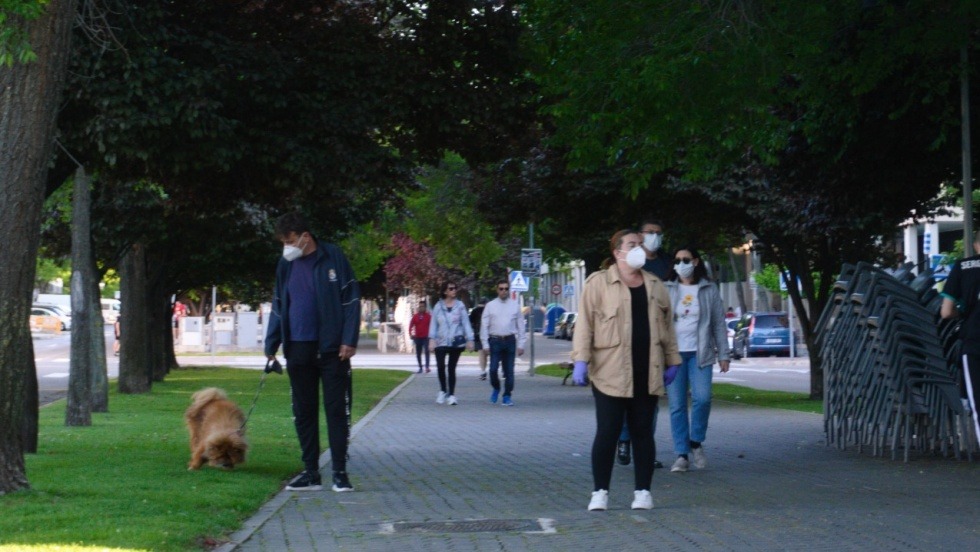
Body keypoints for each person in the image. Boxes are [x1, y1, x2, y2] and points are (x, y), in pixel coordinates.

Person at [571, 230, 681, 511]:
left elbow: (668, 328)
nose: (639, 249)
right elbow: (584, 325)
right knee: (607, 432)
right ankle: (600, 492)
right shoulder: (598, 284)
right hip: (610, 373)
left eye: (641, 245)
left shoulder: (656, 286)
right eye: (633, 245)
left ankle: (643, 492)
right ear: (617, 252)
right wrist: (581, 360)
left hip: (648, 372)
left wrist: (673, 360)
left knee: (643, 433)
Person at [264, 212, 361, 493]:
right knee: (303, 411)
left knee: (336, 411)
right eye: (284, 242)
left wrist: (349, 339)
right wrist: (271, 345)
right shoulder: (286, 265)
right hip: (298, 346)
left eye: (290, 240)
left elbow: (352, 299)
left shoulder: (333, 258)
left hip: (332, 349)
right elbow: (279, 303)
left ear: (305, 237)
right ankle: (310, 472)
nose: (287, 247)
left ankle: (340, 473)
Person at [664, 246, 731, 473]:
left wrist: (724, 354)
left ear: (695, 261)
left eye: (685, 259)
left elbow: (719, 324)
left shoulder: (708, 289)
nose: (681, 263)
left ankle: (696, 441)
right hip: (674, 355)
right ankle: (682, 454)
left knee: (703, 398)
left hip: (700, 353)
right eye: (677, 259)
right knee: (677, 405)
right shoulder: (667, 288)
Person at [617, 218, 669, 468]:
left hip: (653, 344)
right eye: (649, 233)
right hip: (625, 344)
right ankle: (624, 438)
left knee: (650, 402)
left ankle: (645, 451)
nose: (654, 237)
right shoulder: (625, 265)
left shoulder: (666, 265)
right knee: (626, 397)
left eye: (658, 233)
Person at [940, 230, 980, 444]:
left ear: (975, 246)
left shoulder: (962, 267)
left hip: (974, 340)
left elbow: (945, 312)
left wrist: (963, 312)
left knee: (977, 401)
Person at [480, 280, 526, 406]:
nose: (504, 291)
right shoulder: (490, 306)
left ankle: (507, 395)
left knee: (509, 371)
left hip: (510, 340)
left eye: (506, 289)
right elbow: (484, 326)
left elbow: (521, 326)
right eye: (501, 288)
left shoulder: (514, 306)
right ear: (497, 290)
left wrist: (521, 344)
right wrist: (485, 344)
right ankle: (496, 387)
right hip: (495, 340)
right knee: (493, 369)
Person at [428, 281, 474, 405]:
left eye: (455, 288)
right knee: (441, 367)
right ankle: (443, 390)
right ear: (445, 291)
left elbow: (465, 323)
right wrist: (431, 339)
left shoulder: (460, 306)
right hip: (441, 340)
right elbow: (433, 324)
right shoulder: (438, 306)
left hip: (455, 341)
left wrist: (470, 339)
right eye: (451, 288)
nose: (454, 290)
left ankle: (452, 395)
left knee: (452, 368)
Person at [409, 301, 431, 374]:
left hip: (426, 337)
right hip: (417, 337)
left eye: (423, 306)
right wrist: (411, 334)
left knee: (427, 352)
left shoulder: (428, 316)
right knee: (418, 353)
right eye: (420, 306)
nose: (421, 308)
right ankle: (420, 367)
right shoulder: (415, 316)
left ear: (425, 307)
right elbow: (411, 325)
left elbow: (432, 326)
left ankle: (427, 367)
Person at [469, 299, 488, 380]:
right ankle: (485, 369)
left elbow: (470, 321)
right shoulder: (488, 310)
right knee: (486, 353)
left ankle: (483, 371)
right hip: (488, 334)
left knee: (481, 353)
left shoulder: (475, 311)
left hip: (478, 334)